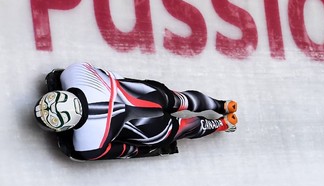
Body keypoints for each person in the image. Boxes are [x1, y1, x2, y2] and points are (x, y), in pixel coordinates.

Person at [34, 62, 238, 161]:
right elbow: (110, 75)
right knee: (180, 99)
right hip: (147, 94)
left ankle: (222, 124)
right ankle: (222, 105)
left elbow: (120, 151)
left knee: (182, 128)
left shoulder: (86, 144)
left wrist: (146, 151)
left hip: (151, 131)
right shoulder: (74, 73)